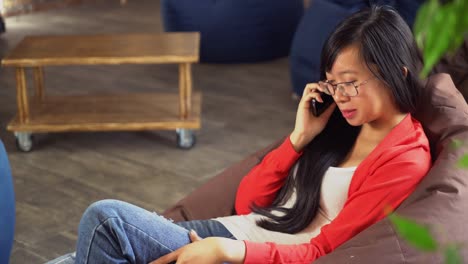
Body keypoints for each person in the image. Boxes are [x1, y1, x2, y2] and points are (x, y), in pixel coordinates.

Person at [72, 5, 432, 264]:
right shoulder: (338, 126)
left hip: (248, 252)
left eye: (350, 84)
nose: (340, 97)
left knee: (106, 221)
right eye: (333, 84)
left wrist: (226, 251)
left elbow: (325, 252)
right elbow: (248, 203)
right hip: (234, 231)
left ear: (396, 73)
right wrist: (298, 139)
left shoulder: (405, 157)